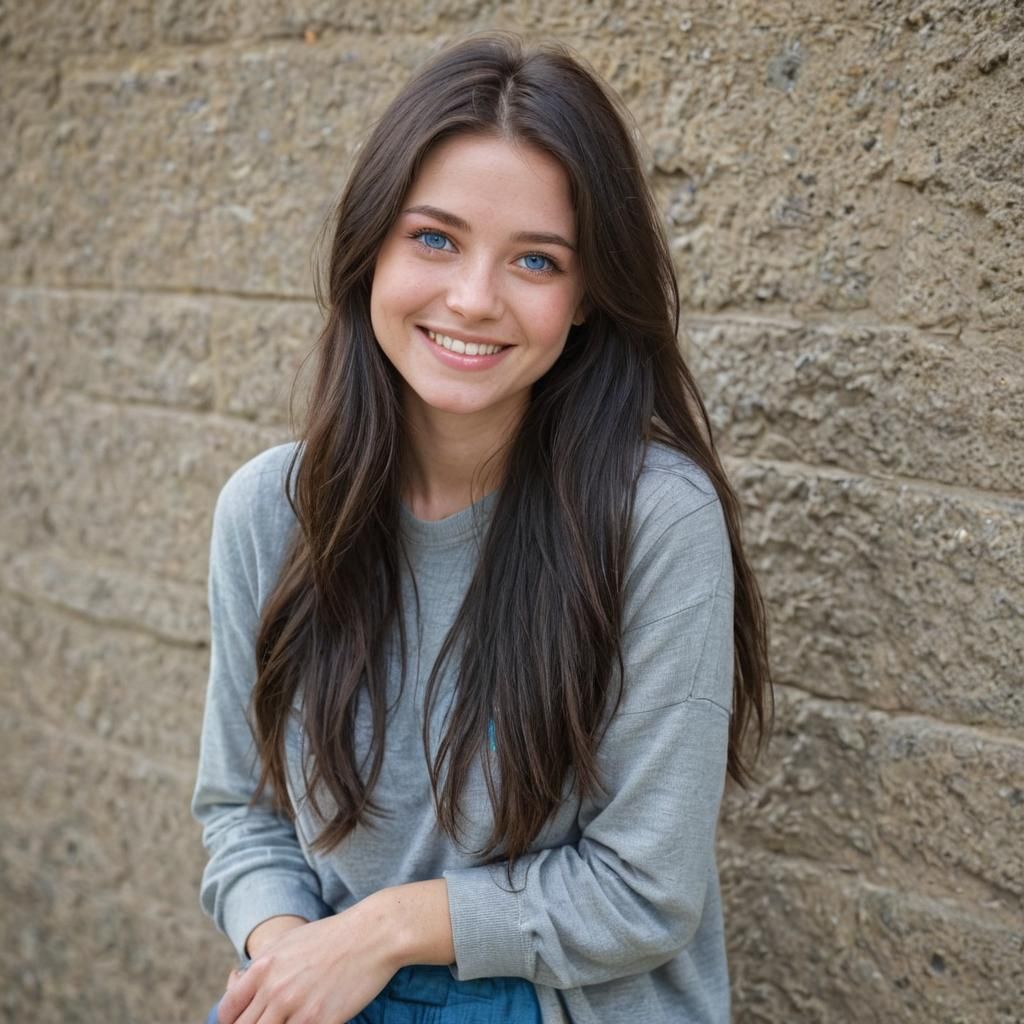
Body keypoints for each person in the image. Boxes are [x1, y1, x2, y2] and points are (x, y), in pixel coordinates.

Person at [191, 29, 773, 1024]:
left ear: (588, 297)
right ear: (369, 246)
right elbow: (243, 811)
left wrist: (377, 931)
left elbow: (643, 890)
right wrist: (296, 958)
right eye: (433, 238)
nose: (472, 298)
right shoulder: (270, 511)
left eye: (535, 260)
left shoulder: (652, 521)